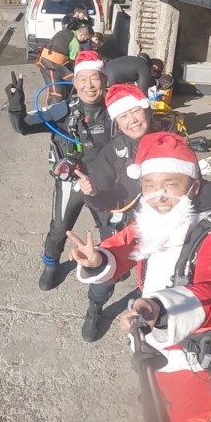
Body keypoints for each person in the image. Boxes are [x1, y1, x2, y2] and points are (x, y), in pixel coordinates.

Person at [69, 132, 211, 422]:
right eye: (150, 185)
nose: (159, 195)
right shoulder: (152, 221)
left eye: (171, 184)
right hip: (154, 339)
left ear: (194, 187)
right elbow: (125, 244)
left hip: (196, 357)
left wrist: (160, 309)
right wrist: (98, 259)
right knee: (164, 407)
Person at [6, 55, 114, 297]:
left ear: (104, 80)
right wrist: (16, 107)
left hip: (105, 183)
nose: (89, 85)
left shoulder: (116, 109)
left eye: (95, 78)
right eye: (83, 79)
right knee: (59, 228)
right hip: (71, 182)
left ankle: (105, 277)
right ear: (74, 82)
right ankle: (51, 265)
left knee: (110, 229)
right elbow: (24, 127)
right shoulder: (63, 109)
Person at [76, 84, 164, 341]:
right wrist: (92, 192)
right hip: (123, 226)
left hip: (161, 228)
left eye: (135, 111)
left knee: (155, 276)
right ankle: (95, 308)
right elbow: (104, 202)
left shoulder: (169, 143)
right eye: (123, 116)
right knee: (106, 273)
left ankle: (147, 316)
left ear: (147, 111)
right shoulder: (112, 152)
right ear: (117, 122)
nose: (132, 120)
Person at [37, 26, 93, 102]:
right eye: (86, 38)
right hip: (51, 66)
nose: (86, 41)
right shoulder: (75, 43)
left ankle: (52, 105)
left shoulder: (64, 32)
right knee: (57, 92)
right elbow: (74, 62)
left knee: (52, 87)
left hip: (42, 60)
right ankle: (55, 108)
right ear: (82, 35)